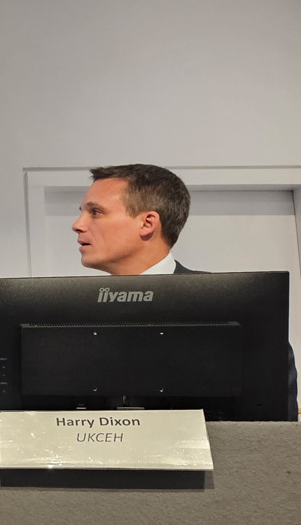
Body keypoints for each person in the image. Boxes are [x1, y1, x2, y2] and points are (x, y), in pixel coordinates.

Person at [73, 163, 297, 419]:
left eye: (96, 212)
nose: (78, 225)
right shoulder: (71, 317)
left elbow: (274, 440)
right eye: (82, 212)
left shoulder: (230, 311)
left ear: (147, 223)